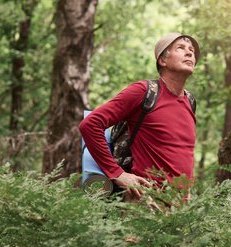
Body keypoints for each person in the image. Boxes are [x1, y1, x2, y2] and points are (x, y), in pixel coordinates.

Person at [79, 33, 200, 205]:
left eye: (192, 51)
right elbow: (90, 124)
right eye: (180, 48)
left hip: (180, 209)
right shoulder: (143, 91)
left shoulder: (191, 101)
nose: (189, 53)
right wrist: (117, 174)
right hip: (145, 202)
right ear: (162, 61)